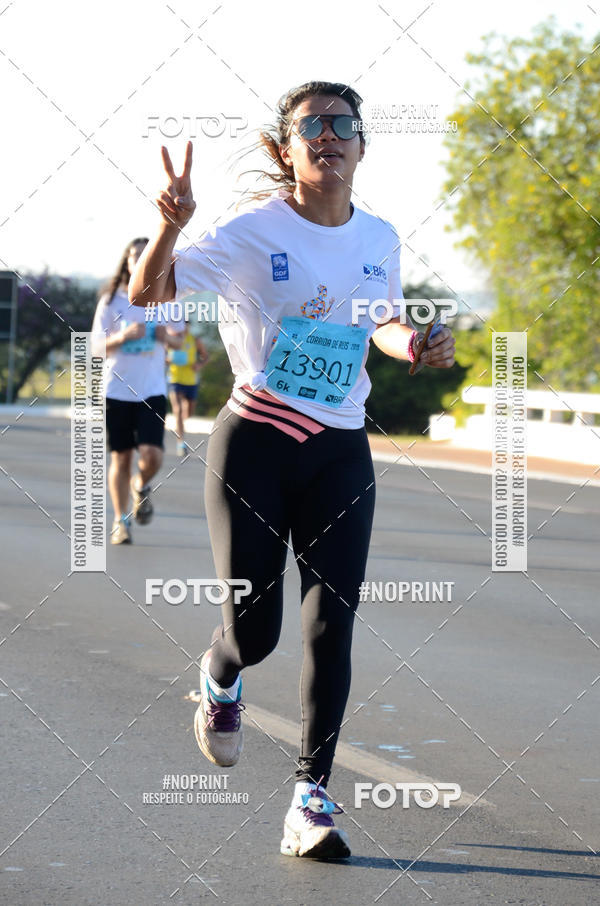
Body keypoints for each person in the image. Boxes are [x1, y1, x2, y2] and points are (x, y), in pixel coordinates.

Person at [129, 81, 455, 858]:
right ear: (287, 149)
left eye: (344, 124)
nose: (329, 136)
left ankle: (311, 800)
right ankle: (220, 671)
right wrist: (169, 227)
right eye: (311, 126)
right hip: (257, 445)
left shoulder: (377, 236)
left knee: (330, 627)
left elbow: (378, 319)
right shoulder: (250, 232)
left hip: (341, 449)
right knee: (258, 631)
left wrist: (415, 343)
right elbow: (148, 293)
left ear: (362, 145)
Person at [91, 238, 185, 544]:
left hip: (152, 390)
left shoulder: (169, 299)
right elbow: (94, 349)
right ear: (128, 262)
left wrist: (164, 337)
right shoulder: (111, 301)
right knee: (121, 458)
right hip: (117, 390)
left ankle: (140, 485)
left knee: (152, 455)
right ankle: (121, 521)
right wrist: (121, 337)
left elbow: (179, 342)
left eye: (147, 255)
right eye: (136, 256)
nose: (141, 260)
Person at [167, 320, 209, 456]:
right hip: (175, 379)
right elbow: (161, 355)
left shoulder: (195, 340)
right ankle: (181, 443)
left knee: (188, 412)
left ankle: (180, 425)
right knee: (178, 410)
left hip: (191, 380)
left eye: (185, 325)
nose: (183, 328)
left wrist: (199, 365)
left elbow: (205, 357)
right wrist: (168, 359)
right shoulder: (171, 339)